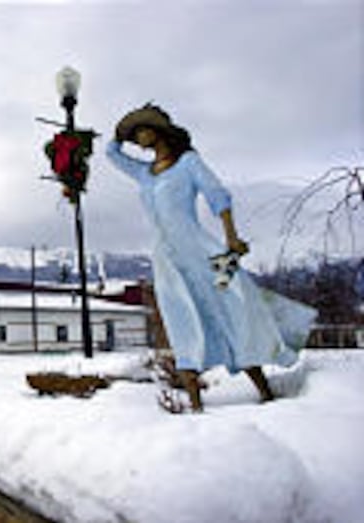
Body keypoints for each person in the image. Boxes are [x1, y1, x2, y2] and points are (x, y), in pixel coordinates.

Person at [106, 103, 300, 412]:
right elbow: (111, 154)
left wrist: (231, 237)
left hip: (200, 251)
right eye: (134, 133)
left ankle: (264, 390)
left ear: (159, 132)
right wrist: (120, 133)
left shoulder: (188, 163)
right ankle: (196, 405)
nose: (138, 137)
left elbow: (217, 195)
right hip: (166, 260)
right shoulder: (144, 173)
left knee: (231, 309)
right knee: (180, 319)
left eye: (142, 130)